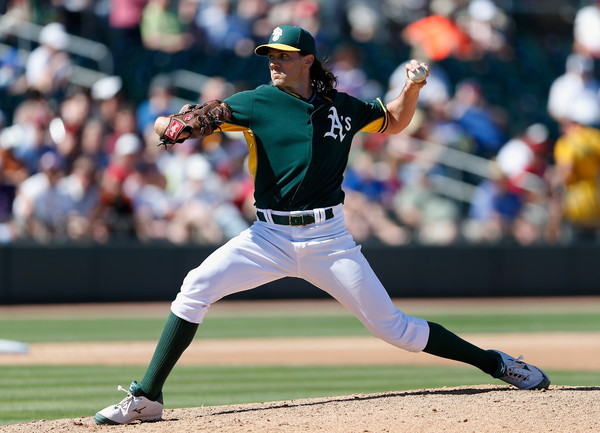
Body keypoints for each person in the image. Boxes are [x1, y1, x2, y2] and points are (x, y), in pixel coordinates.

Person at [94, 25, 550, 425]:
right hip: (267, 236)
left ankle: (496, 363)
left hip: (329, 239)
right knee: (195, 287)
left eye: (283, 56)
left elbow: (392, 121)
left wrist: (413, 88)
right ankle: (148, 398)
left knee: (395, 329)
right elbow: (197, 119)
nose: (274, 62)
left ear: (307, 61)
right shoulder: (256, 103)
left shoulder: (341, 106)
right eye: (270, 55)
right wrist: (180, 123)